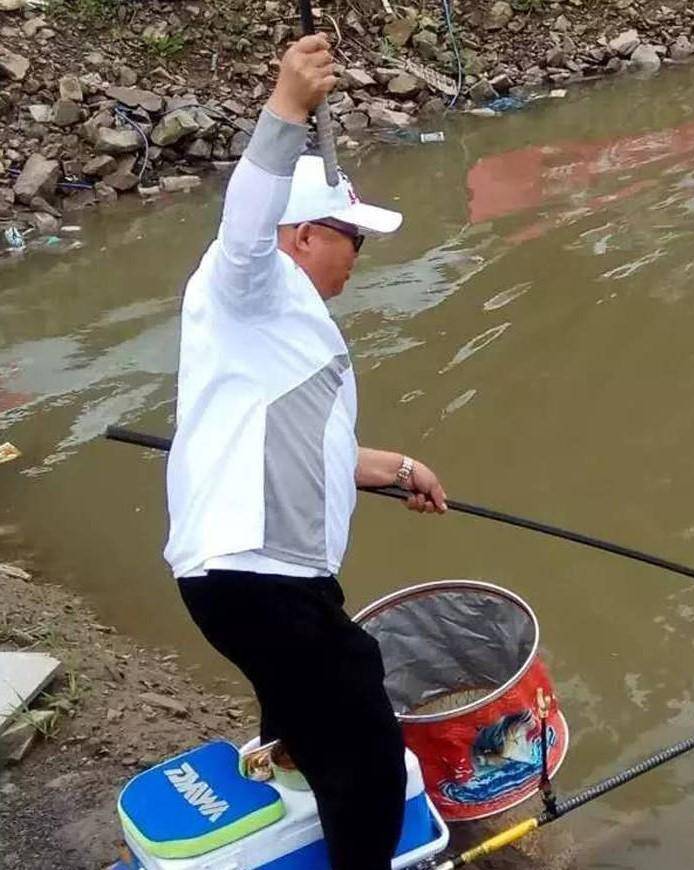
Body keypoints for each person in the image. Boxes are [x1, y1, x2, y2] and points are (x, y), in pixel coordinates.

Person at [162, 35, 447, 869]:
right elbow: (244, 225)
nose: (359, 256)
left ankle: (289, 824)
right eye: (351, 236)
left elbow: (300, 447)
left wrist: (396, 469)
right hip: (257, 574)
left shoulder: (274, 333)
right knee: (361, 733)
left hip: (260, 580)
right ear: (301, 236)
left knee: (303, 712)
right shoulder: (248, 279)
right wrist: (288, 108)